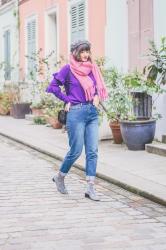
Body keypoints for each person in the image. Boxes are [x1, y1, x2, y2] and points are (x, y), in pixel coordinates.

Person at [46, 40, 108, 201]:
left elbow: (96, 88)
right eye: (82, 52)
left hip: (92, 113)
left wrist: (96, 96)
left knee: (92, 151)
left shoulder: (92, 68)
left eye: (87, 51)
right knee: (76, 150)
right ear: (75, 53)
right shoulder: (68, 69)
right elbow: (53, 87)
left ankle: (90, 188)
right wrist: (66, 99)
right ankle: (60, 177)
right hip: (76, 113)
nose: (85, 55)